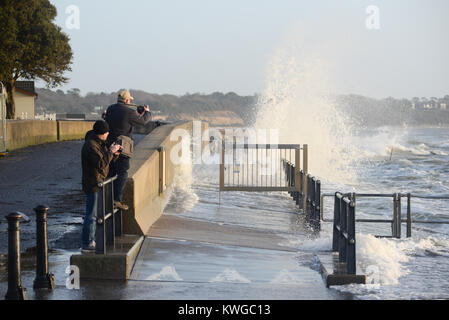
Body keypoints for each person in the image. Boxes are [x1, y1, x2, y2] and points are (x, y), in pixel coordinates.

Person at [104, 90, 151, 210]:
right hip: (122, 145)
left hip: (109, 143)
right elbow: (143, 121)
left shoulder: (110, 109)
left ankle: (107, 200)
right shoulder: (129, 112)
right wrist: (147, 112)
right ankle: (117, 200)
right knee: (123, 172)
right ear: (127, 100)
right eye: (129, 100)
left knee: (111, 172)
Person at [81, 120, 121, 252]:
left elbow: (105, 161)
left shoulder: (98, 143)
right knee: (91, 215)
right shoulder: (91, 146)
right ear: (102, 133)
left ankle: (91, 239)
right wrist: (110, 151)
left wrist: (114, 154)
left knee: (94, 214)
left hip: (98, 182)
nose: (108, 134)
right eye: (106, 132)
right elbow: (100, 163)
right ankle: (87, 243)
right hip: (93, 184)